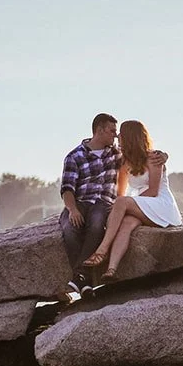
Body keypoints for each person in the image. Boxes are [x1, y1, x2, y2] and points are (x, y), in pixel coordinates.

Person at [58, 114, 165, 295]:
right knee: (69, 228)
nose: (116, 136)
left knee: (97, 222)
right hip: (80, 202)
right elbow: (67, 188)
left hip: (103, 202)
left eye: (117, 132)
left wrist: (164, 156)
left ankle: (80, 277)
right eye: (112, 131)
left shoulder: (117, 154)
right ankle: (84, 279)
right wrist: (73, 209)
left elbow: (140, 152)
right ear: (99, 130)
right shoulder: (74, 156)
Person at [84, 120, 181, 277]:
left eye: (121, 134)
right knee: (126, 224)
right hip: (142, 205)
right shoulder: (124, 162)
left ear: (130, 137)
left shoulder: (154, 158)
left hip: (160, 204)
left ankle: (102, 249)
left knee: (123, 203)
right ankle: (111, 270)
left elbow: (153, 190)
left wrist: (129, 205)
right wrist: (118, 212)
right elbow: (120, 193)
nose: (118, 137)